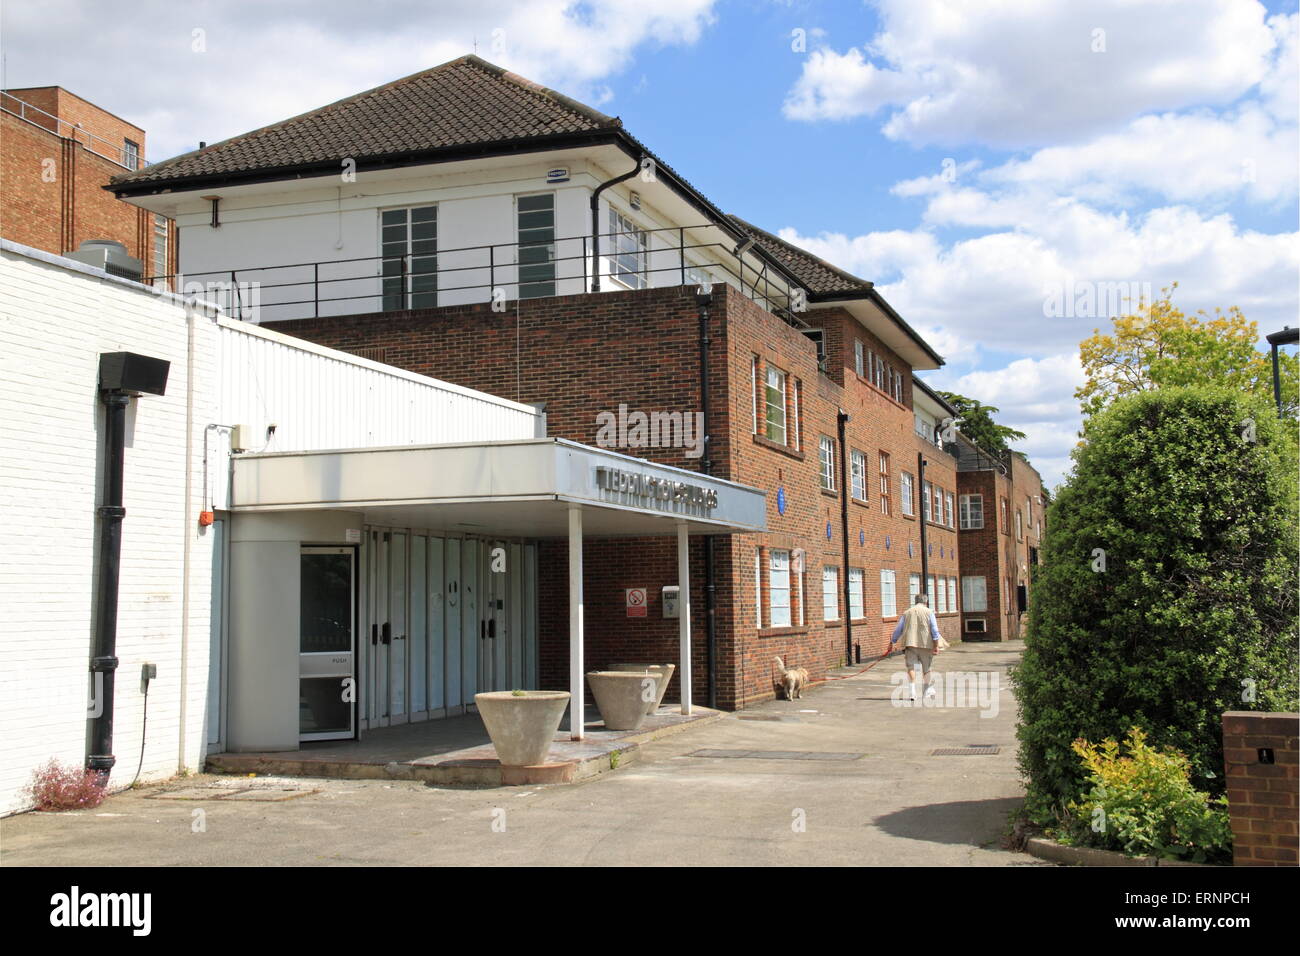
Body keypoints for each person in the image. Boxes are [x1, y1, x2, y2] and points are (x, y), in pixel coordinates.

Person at [890, 593, 942, 702]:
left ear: (915, 601)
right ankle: (926, 690)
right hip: (925, 645)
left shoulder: (907, 613)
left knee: (911, 668)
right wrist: (936, 645)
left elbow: (899, 629)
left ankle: (912, 692)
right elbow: (934, 630)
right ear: (926, 601)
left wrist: (893, 641)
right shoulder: (929, 612)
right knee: (927, 668)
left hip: (910, 644)